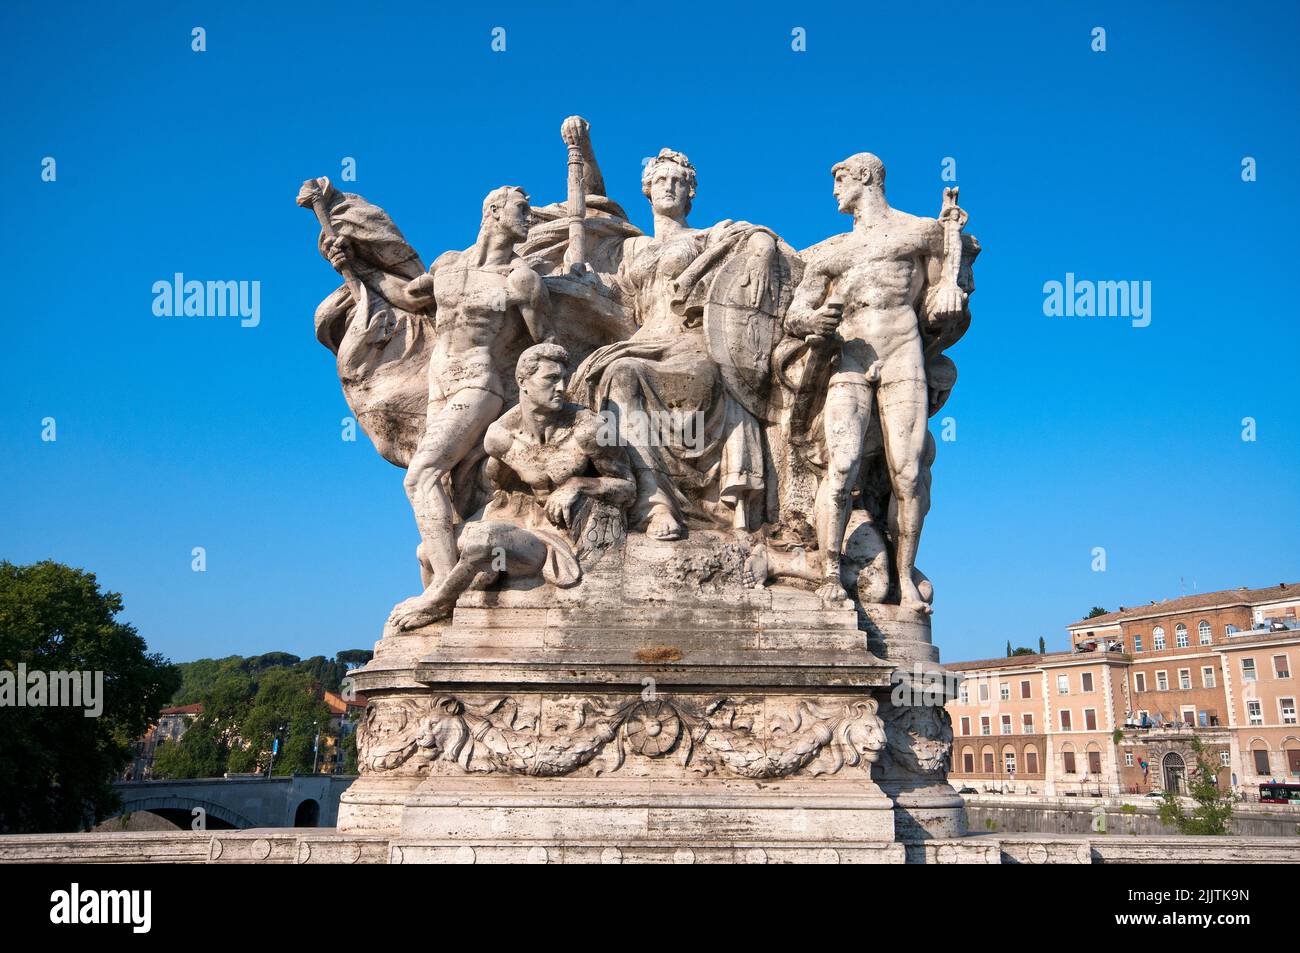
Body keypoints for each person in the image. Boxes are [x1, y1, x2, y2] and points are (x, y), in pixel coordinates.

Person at [786, 153, 967, 610]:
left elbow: (952, 279)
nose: (834, 192)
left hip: (904, 356)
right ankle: (829, 570)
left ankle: (904, 577)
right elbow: (795, 316)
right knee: (841, 466)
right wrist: (815, 321)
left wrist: (952, 238)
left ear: (865, 177)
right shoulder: (831, 252)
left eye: (839, 180)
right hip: (850, 359)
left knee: (907, 474)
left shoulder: (919, 231)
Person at [386, 343, 635, 629]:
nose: (561, 388)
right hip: (515, 527)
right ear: (523, 383)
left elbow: (627, 488)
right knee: (426, 552)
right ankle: (445, 629)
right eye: (551, 379)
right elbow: (498, 494)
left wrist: (579, 485)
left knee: (486, 541)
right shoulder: (500, 437)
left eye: (564, 379)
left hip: (557, 540)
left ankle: (438, 603)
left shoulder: (590, 429)